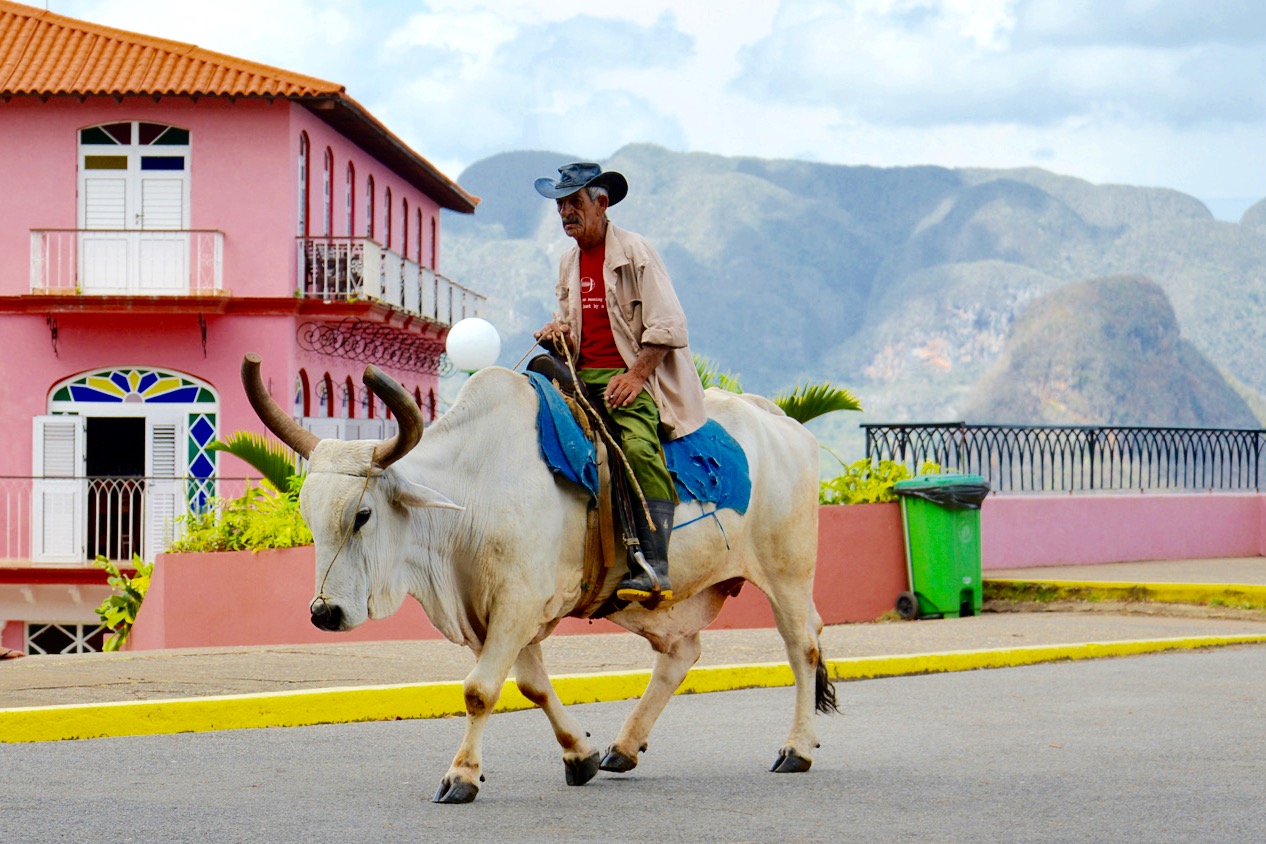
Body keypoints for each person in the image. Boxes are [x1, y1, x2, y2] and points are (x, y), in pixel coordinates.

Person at [531, 162, 707, 603]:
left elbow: (668, 324)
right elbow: (575, 330)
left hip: (628, 378)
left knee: (638, 447)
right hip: (580, 374)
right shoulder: (568, 261)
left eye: (574, 202)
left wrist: (635, 375)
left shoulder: (636, 251)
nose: (565, 212)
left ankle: (654, 563)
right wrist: (559, 335)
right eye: (560, 204)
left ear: (601, 203)